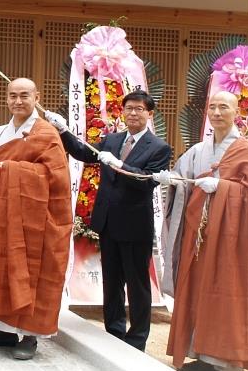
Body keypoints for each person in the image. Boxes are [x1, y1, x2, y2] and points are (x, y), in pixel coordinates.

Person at [153, 90, 248, 371]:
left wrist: (224, 188)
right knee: (199, 293)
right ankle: (200, 355)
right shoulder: (200, 150)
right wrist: (171, 180)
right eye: (212, 107)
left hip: (232, 242)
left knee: (227, 296)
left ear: (236, 112)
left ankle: (229, 364)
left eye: (223, 107)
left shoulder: (247, 152)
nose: (216, 112)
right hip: (198, 240)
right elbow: (182, 177)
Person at [43, 91, 172, 351]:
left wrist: (118, 164)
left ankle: (137, 339)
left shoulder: (159, 148)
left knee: (137, 285)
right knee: (112, 281)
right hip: (108, 223)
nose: (133, 113)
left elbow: (145, 180)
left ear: (150, 113)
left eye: (139, 109)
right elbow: (85, 153)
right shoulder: (112, 140)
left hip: (135, 226)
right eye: (129, 109)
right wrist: (64, 130)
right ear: (122, 111)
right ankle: (113, 331)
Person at [0, 78, 72, 361]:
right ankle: (4, 330)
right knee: (1, 270)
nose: (17, 101)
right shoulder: (1, 133)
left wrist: (12, 170)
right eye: (12, 96)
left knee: (31, 274)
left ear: (37, 97)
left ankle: (30, 336)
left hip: (34, 224)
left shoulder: (46, 134)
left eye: (24, 96)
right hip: (1, 217)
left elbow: (57, 179)